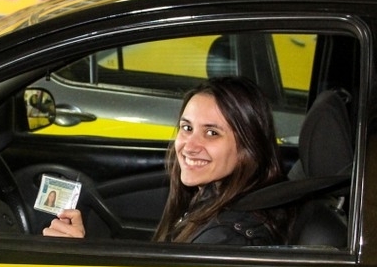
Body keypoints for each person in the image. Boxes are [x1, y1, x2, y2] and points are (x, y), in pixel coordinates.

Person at [43, 76, 289, 245]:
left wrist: (80, 262)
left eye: (212, 133)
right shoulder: (212, 201)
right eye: (186, 127)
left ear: (249, 145)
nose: (189, 146)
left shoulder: (227, 238)